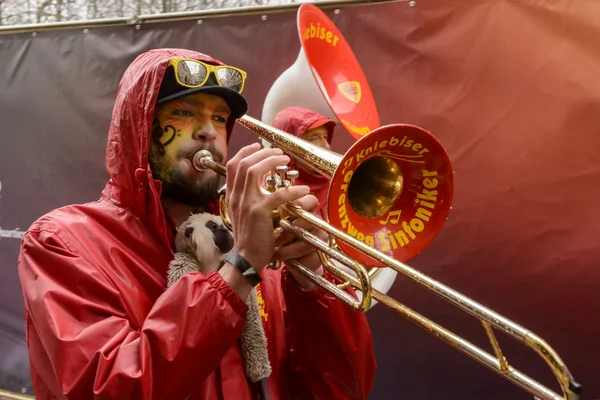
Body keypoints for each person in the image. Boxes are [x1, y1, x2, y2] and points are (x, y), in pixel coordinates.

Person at [16, 48, 376, 400]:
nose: (208, 132)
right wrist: (239, 271)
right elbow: (107, 387)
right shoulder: (61, 241)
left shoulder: (247, 243)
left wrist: (311, 284)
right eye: (185, 112)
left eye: (220, 119)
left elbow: (342, 390)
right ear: (138, 127)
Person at [271, 107, 336, 220]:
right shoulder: (271, 191)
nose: (326, 145)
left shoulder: (337, 183)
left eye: (325, 137)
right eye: (313, 139)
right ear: (288, 148)